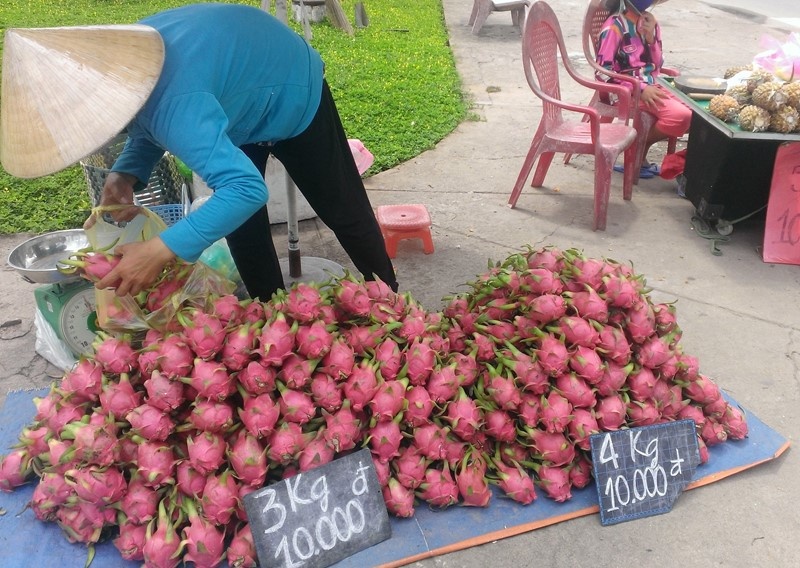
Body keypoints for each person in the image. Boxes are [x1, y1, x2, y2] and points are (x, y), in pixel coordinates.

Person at [1, 3, 398, 300]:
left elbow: (246, 188)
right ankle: (271, 311)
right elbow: (145, 115)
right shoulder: (124, 70)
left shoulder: (179, 106)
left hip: (289, 84)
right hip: (230, 95)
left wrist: (162, 248)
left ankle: (389, 298)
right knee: (241, 224)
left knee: (342, 209)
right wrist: (125, 175)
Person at [595, 0, 691, 178]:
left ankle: (639, 150)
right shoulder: (614, 28)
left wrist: (650, 38)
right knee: (680, 117)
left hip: (653, 83)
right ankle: (636, 148)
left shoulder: (649, 23)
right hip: (627, 91)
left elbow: (657, 64)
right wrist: (638, 87)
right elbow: (603, 73)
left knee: (698, 114)